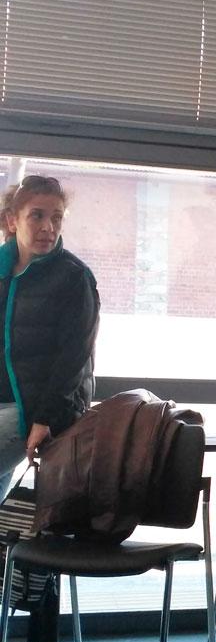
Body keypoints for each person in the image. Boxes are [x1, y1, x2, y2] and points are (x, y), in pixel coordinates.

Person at [0, 175, 100, 503]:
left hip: (33, 409)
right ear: (12, 221)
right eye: (37, 215)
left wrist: (45, 418)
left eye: (56, 217)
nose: (48, 227)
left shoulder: (73, 277)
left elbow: (73, 359)